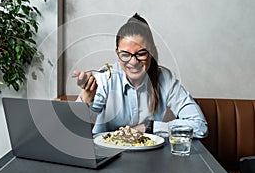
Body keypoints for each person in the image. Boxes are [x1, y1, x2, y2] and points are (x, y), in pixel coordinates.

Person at [73, 13, 207, 138]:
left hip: (150, 159)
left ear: (152, 52)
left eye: (141, 54)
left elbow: (200, 126)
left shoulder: (165, 79)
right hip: (107, 157)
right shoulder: (106, 78)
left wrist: (149, 127)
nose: (133, 62)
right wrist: (86, 98)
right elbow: (73, 131)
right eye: (125, 54)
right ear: (117, 53)